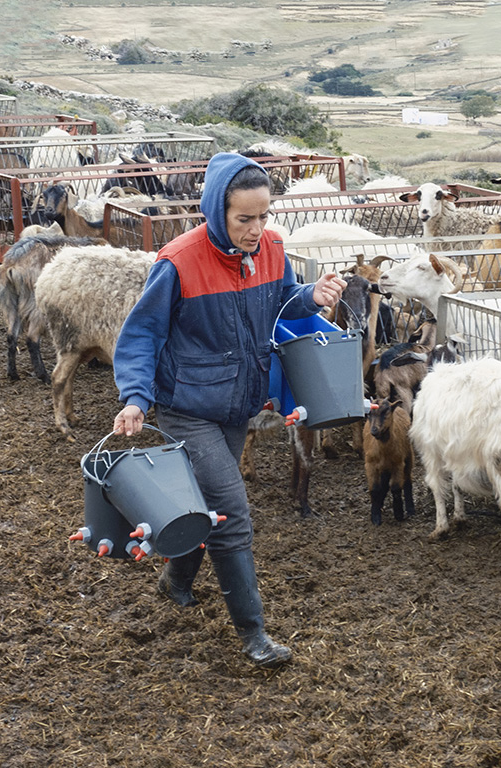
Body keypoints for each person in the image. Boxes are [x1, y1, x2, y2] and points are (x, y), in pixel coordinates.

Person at [111, 152, 346, 669]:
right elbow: (142, 334)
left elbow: (283, 302)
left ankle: (174, 580)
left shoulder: (272, 248)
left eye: (263, 216)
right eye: (244, 219)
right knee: (232, 511)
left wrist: (312, 296)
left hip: (238, 402)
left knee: (205, 503)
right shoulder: (178, 262)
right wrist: (135, 398)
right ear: (218, 211)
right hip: (187, 406)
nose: (256, 229)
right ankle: (254, 634)